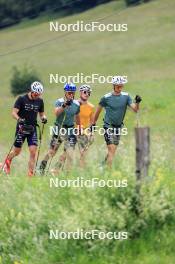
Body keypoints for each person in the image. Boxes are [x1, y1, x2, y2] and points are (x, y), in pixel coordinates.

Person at [91, 76, 142, 168]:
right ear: (114, 86)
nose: (120, 88)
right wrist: (93, 124)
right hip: (108, 126)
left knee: (112, 151)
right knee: (111, 149)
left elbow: (135, 110)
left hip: (118, 128)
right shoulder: (106, 98)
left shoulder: (126, 97)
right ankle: (109, 172)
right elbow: (97, 112)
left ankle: (102, 166)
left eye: (121, 86)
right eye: (118, 86)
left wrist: (137, 102)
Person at [3, 81, 47, 176]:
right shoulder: (22, 99)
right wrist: (19, 119)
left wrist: (44, 118)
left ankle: (30, 174)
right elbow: (13, 113)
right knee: (16, 151)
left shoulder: (40, 101)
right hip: (21, 128)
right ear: (32, 90)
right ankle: (6, 162)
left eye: (39, 94)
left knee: (33, 152)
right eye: (36, 93)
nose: (37, 96)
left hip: (32, 129)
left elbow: (42, 114)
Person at [39, 83, 80, 175]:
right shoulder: (59, 101)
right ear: (65, 92)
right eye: (69, 92)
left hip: (70, 130)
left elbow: (77, 117)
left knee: (68, 152)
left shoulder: (77, 104)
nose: (71, 94)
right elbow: (56, 113)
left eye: (73, 93)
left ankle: (56, 169)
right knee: (52, 152)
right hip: (59, 129)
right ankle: (42, 165)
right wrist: (64, 105)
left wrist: (79, 128)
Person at [77, 84, 95, 166]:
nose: (87, 94)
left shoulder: (91, 107)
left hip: (84, 132)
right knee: (67, 152)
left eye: (89, 93)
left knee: (84, 153)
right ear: (80, 93)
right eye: (85, 92)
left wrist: (92, 133)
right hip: (74, 130)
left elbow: (92, 122)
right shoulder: (75, 104)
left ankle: (81, 170)